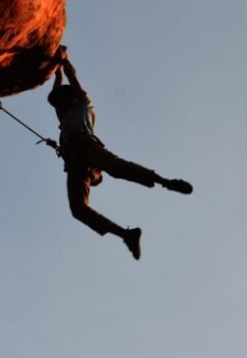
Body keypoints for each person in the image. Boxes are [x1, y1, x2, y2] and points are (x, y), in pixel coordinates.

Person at [47, 46, 193, 260]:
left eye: (60, 102)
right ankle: (126, 234)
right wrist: (56, 70)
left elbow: (72, 78)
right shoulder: (65, 115)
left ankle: (165, 181)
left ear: (68, 99)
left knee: (116, 167)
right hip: (76, 163)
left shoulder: (82, 104)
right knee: (78, 209)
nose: (57, 107)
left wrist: (64, 61)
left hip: (86, 147)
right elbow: (58, 87)